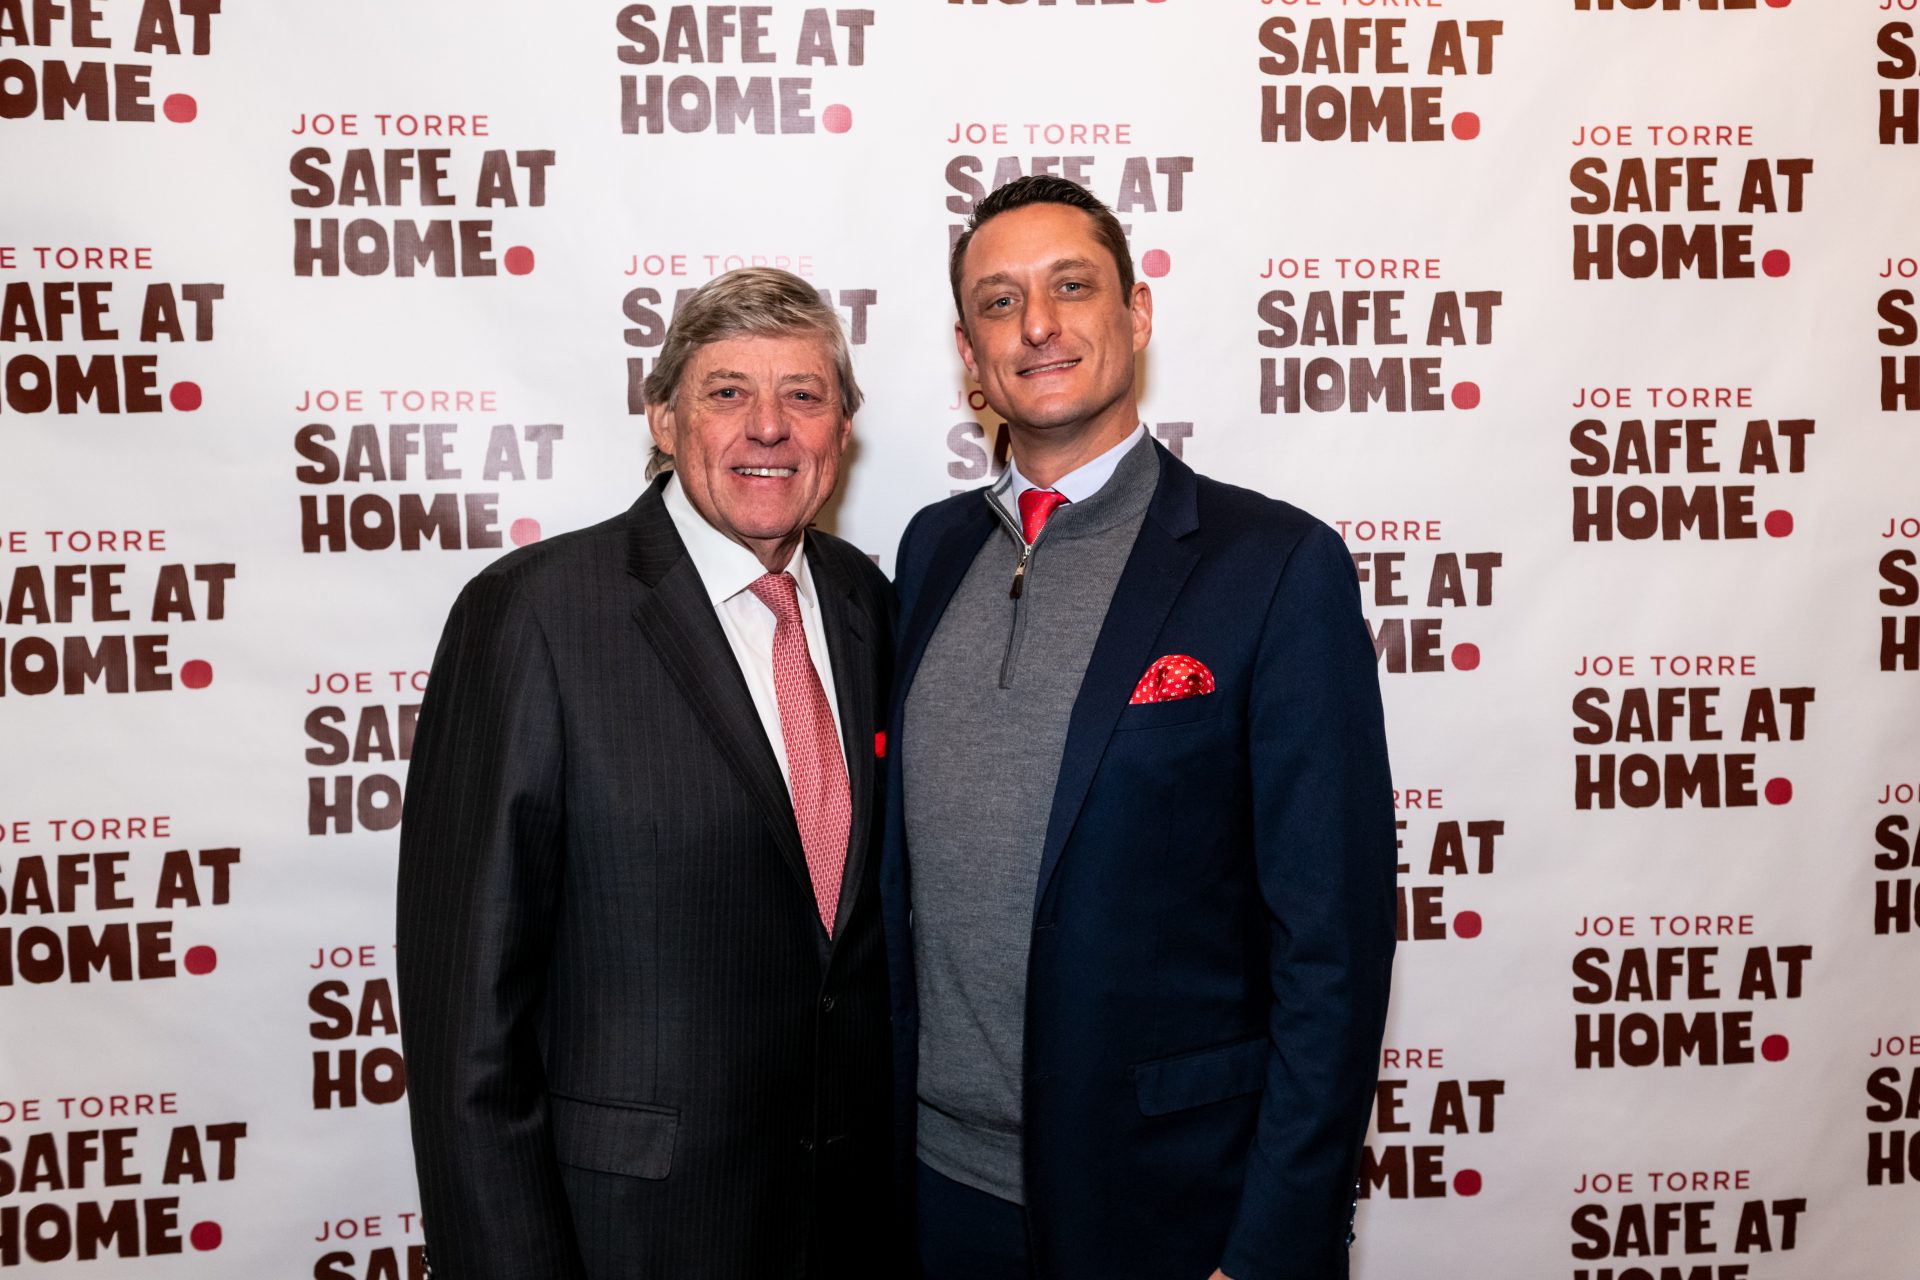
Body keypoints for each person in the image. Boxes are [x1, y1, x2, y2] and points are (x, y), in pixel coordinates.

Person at [881, 175, 1397, 1280]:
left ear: (1138, 313)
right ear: (970, 352)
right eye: (1000, 302)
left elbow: (1333, 951)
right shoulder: (930, 552)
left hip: (1171, 1205)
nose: (1039, 324)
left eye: (1072, 286)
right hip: (934, 1194)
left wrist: (1268, 1248)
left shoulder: (1274, 566)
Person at [396, 267, 896, 1279]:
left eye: (803, 393)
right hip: (629, 1235)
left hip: (848, 1227)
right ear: (664, 418)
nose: (768, 426)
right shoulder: (533, 616)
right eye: (727, 391)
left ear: (841, 429)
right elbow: (466, 1029)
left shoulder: (868, 602)